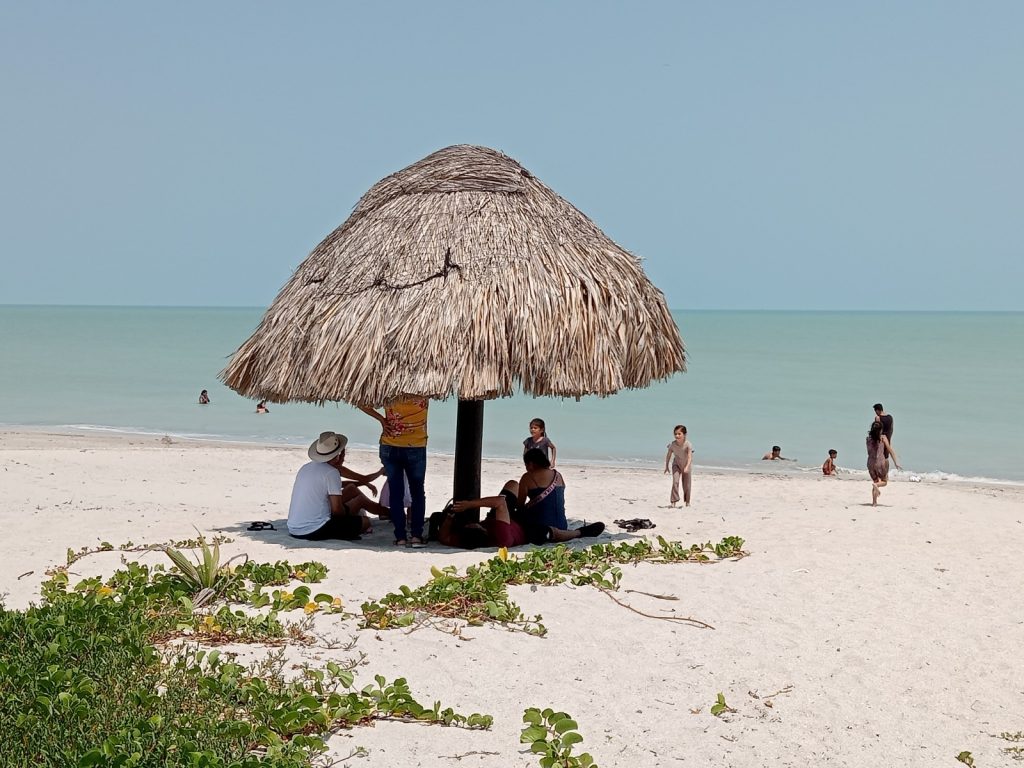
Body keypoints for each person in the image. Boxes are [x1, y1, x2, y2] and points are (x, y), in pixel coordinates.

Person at [439, 480, 604, 549]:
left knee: (512, 485)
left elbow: (444, 537)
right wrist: (470, 504)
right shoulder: (501, 537)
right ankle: (581, 532)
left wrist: (449, 517)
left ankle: (521, 506)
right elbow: (500, 502)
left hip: (503, 519)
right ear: (481, 529)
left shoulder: (464, 539)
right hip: (525, 530)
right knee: (550, 533)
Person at [286, 431, 387, 540]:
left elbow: (335, 487)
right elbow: (337, 511)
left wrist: (363, 484)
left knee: (352, 490)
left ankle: (386, 513)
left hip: (294, 527)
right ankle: (391, 514)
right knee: (364, 519)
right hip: (315, 529)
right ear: (338, 455)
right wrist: (352, 509)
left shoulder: (305, 468)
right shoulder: (331, 472)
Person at [360, 396, 429, 548]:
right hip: (416, 446)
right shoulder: (423, 389)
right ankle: (416, 536)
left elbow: (361, 402)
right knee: (417, 492)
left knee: (396, 493)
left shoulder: (388, 390)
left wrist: (381, 419)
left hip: (390, 445)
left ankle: (401, 538)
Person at [866, 421, 901, 506]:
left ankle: (874, 502)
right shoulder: (883, 438)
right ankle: (876, 485)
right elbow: (890, 450)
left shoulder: (868, 439)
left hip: (870, 463)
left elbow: (869, 451)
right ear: (881, 430)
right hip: (880, 463)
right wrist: (896, 462)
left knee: (875, 481)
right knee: (884, 481)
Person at [663, 425, 693, 506]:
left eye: (679, 434)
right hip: (676, 465)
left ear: (684, 435)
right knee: (675, 482)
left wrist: (687, 467)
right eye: (675, 434)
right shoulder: (672, 444)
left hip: (686, 465)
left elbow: (690, 457)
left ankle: (687, 502)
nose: (677, 436)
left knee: (686, 485)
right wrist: (666, 466)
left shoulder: (688, 444)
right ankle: (673, 502)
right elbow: (668, 455)